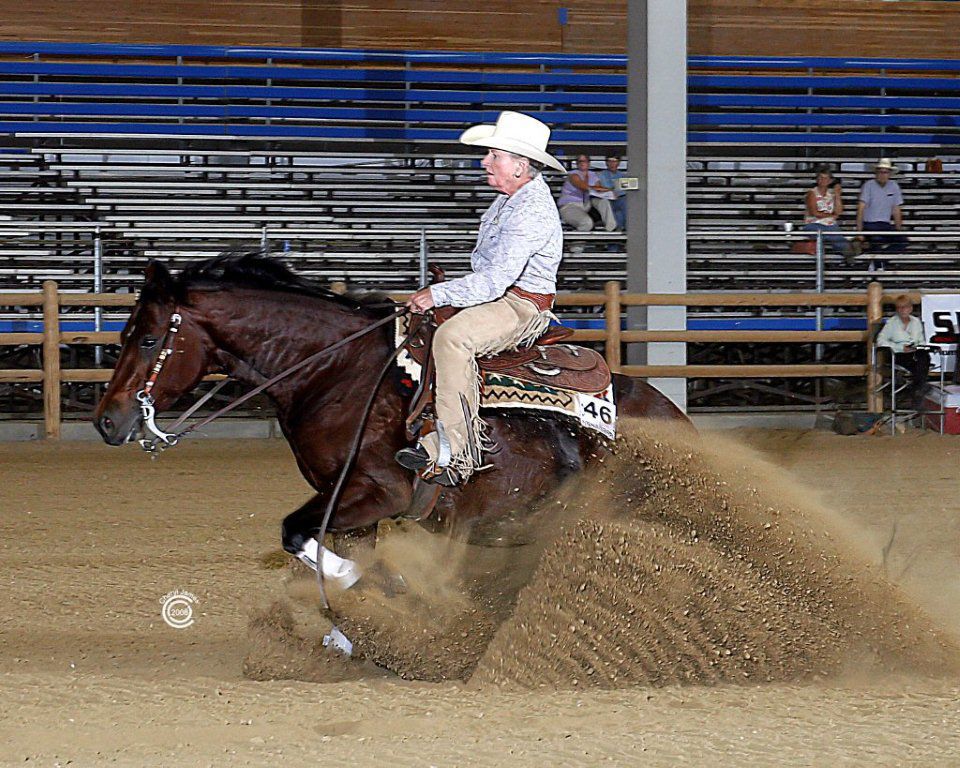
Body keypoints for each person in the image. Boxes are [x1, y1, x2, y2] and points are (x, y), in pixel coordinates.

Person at [396, 111, 565, 486]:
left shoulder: (530, 211)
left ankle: (457, 451)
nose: (485, 161)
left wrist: (436, 293)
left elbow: (494, 282)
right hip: (502, 295)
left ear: (520, 166)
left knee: (453, 338)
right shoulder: (512, 199)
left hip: (520, 304)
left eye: (494, 155)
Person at [876, 294, 930, 406]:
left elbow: (921, 341)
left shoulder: (916, 322)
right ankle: (918, 390)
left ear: (910, 308)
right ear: (897, 309)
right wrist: (900, 347)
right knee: (919, 364)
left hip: (914, 353)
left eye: (905, 307)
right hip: (898, 354)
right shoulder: (891, 323)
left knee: (923, 355)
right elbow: (880, 341)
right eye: (900, 307)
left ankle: (916, 389)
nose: (902, 310)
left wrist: (917, 347)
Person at [856, 158, 908, 271]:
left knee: (903, 241)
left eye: (885, 172)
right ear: (876, 173)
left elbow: (896, 209)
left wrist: (898, 229)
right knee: (876, 240)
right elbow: (861, 208)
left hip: (885, 224)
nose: (883, 175)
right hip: (870, 224)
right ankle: (879, 264)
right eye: (880, 172)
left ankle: (878, 261)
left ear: (889, 174)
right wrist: (859, 231)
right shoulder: (868, 185)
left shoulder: (894, 186)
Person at [802, 165, 857, 264]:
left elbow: (839, 211)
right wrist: (831, 216)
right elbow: (814, 212)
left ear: (830, 180)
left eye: (825, 178)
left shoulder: (830, 194)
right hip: (814, 223)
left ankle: (846, 252)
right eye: (821, 178)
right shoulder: (812, 193)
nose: (823, 180)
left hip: (830, 224)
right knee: (830, 234)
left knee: (832, 233)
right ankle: (848, 249)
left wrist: (837, 195)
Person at [556, 154, 618, 232]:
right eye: (580, 161)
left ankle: (611, 228)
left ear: (589, 163)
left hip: (586, 205)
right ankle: (577, 242)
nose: (582, 163)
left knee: (603, 201)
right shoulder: (573, 175)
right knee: (587, 223)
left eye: (584, 161)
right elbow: (583, 187)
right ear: (577, 163)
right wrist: (608, 190)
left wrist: (610, 193)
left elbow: (599, 190)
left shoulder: (593, 175)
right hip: (570, 206)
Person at [598, 153, 627, 231]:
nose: (612, 164)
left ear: (618, 162)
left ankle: (625, 230)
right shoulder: (601, 175)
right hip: (608, 200)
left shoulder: (623, 175)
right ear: (606, 163)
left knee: (622, 208)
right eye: (610, 161)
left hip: (620, 200)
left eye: (614, 161)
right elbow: (604, 188)